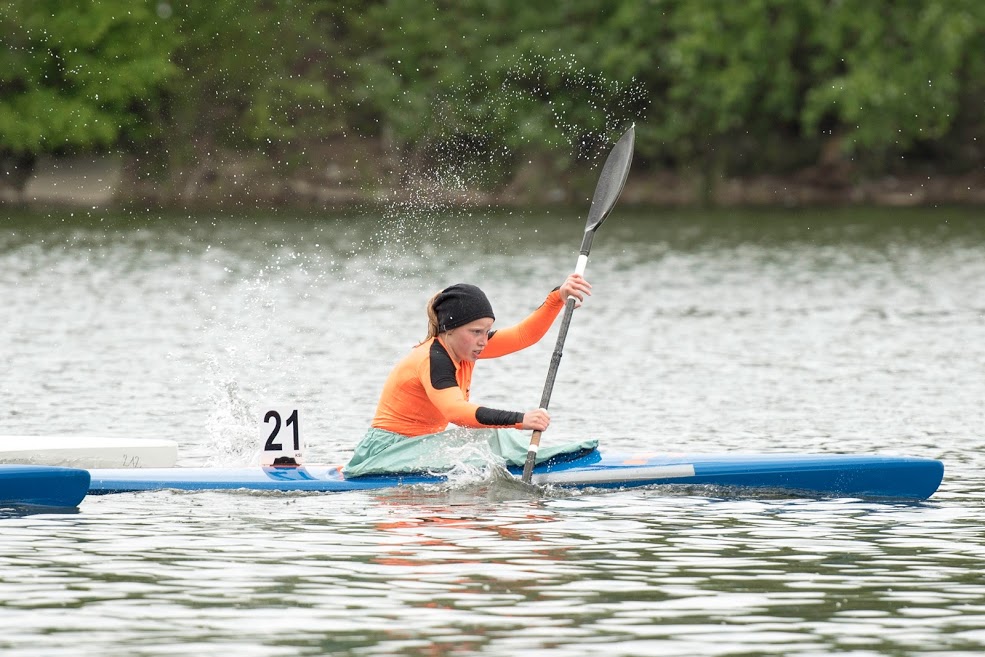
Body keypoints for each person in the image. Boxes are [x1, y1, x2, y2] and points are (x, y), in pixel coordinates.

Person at [344, 273, 599, 477]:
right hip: (385, 452)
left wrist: (557, 297)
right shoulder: (433, 359)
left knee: (489, 437)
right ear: (449, 330)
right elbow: (456, 412)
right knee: (493, 434)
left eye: (486, 331)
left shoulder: (464, 349)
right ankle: (541, 461)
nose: (483, 341)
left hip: (418, 447)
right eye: (476, 332)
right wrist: (521, 419)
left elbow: (524, 335)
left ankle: (536, 458)